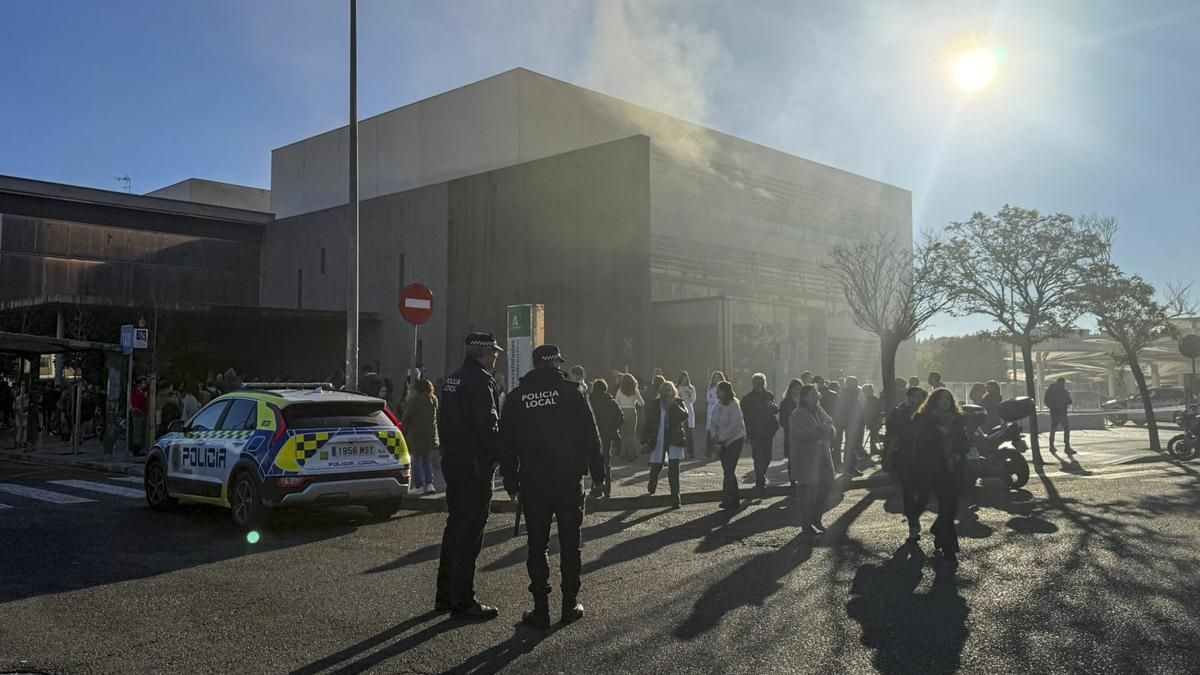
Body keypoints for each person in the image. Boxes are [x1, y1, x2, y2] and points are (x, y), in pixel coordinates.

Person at [499, 344, 605, 628]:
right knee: (571, 544)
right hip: (569, 480)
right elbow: (591, 436)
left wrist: (510, 482)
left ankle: (541, 609)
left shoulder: (517, 398)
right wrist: (599, 475)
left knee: (537, 546)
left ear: (535, 365)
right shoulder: (573, 393)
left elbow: (506, 445)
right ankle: (569, 605)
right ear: (557, 364)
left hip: (533, 482)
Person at [435, 332, 505, 620]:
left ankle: (445, 594)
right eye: (494, 352)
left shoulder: (453, 378)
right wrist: (501, 455)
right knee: (470, 532)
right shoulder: (480, 380)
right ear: (484, 353)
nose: (496, 356)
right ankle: (463, 599)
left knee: (454, 527)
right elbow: (487, 426)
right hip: (474, 467)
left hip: (453, 462)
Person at [913, 387, 970, 563]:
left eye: (948, 398)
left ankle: (938, 529)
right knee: (946, 504)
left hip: (955, 467)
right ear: (934, 400)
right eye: (942, 398)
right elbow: (921, 445)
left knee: (951, 507)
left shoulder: (957, 419)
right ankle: (949, 547)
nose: (945, 401)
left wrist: (959, 452)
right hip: (936, 469)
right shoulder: (923, 419)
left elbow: (964, 442)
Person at [788, 384, 836, 535]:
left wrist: (830, 429)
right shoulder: (798, 413)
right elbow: (798, 434)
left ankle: (816, 517)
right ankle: (806, 524)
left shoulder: (819, 410)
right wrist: (820, 429)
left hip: (822, 457)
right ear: (804, 397)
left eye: (816, 395)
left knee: (827, 485)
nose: (816, 397)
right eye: (812, 395)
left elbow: (830, 426)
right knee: (807, 493)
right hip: (806, 459)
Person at [885, 387, 928, 541]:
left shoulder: (926, 413)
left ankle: (914, 514)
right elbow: (891, 427)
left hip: (923, 458)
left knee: (924, 492)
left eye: (920, 397)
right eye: (915, 396)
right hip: (904, 457)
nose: (918, 399)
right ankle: (913, 524)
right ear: (908, 397)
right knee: (909, 491)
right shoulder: (900, 412)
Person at [641, 380, 689, 508]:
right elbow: (648, 422)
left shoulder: (678, 402)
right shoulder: (655, 404)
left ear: (673, 391)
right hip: (659, 437)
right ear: (661, 392)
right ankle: (653, 482)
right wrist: (644, 440)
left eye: (670, 390)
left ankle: (675, 496)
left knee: (674, 469)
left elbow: (684, 416)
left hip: (674, 438)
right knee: (657, 464)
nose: (668, 393)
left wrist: (673, 405)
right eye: (665, 390)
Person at [708, 381, 747, 508]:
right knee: (727, 471)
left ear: (725, 392)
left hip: (734, 440)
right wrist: (714, 436)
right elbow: (712, 422)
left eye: (719, 390)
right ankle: (734, 499)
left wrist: (721, 437)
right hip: (720, 441)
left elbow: (734, 426)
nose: (717, 392)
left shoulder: (734, 405)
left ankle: (728, 499)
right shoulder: (717, 405)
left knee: (729, 470)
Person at [741, 373, 780, 491]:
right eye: (758, 384)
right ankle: (760, 480)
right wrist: (745, 433)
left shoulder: (769, 395)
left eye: (762, 384)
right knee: (758, 457)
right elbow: (744, 417)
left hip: (768, 431)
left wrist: (772, 406)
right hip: (754, 432)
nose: (760, 386)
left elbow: (775, 409)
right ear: (753, 384)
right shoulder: (747, 399)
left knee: (768, 457)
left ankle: (761, 475)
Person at [403, 378, 440, 495]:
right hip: (430, 435)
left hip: (416, 435)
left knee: (416, 461)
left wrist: (403, 431)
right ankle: (430, 484)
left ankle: (419, 486)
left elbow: (407, 418)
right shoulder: (434, 400)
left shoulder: (414, 400)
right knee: (426, 460)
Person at [589, 379, 623, 497]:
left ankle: (596, 485)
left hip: (592, 434)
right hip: (607, 434)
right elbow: (620, 417)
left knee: (593, 460)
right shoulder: (610, 401)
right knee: (606, 462)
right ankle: (607, 488)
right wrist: (614, 427)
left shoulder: (589, 400)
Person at [836, 376, 866, 477]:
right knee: (851, 446)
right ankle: (849, 467)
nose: (856, 385)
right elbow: (849, 411)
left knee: (852, 445)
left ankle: (850, 467)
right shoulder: (849, 395)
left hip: (853, 423)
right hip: (852, 424)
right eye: (854, 383)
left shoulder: (850, 394)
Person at [778, 379, 803, 485]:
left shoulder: (805, 401)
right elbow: (782, 419)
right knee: (792, 458)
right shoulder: (786, 402)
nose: (797, 391)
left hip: (805, 432)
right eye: (795, 388)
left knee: (803, 457)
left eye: (799, 388)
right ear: (791, 389)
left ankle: (802, 480)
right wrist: (790, 426)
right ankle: (793, 481)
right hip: (791, 433)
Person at [614, 373, 644, 462]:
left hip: (622, 411)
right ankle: (632, 454)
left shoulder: (620, 391)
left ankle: (623, 454)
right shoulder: (634, 391)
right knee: (631, 434)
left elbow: (616, 402)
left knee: (623, 434)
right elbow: (641, 403)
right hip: (631, 411)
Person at [1046, 377, 1074, 454]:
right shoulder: (1063, 391)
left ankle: (1051, 446)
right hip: (1062, 413)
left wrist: (1052, 407)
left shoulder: (1050, 391)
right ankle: (1067, 447)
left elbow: (1046, 401)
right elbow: (1069, 401)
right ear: (1062, 383)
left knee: (1053, 429)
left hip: (1053, 413)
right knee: (1066, 429)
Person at [705, 371, 727, 458]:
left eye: (718, 378)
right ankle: (709, 450)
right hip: (712, 410)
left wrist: (717, 400)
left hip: (722, 410)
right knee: (710, 431)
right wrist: (716, 400)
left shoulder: (725, 388)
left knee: (720, 431)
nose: (716, 379)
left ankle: (720, 451)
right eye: (715, 378)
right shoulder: (710, 389)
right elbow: (709, 399)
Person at [676, 372, 698, 459]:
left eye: (686, 379)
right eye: (683, 379)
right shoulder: (677, 387)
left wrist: (689, 394)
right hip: (679, 411)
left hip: (689, 411)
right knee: (679, 432)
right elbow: (675, 398)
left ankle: (690, 452)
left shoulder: (691, 388)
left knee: (689, 433)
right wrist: (680, 395)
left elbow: (693, 400)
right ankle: (679, 452)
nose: (684, 381)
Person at [862, 383, 883, 457]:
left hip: (868, 419)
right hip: (874, 419)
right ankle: (873, 448)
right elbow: (879, 408)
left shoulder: (864, 399)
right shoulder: (873, 399)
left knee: (873, 434)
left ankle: (873, 447)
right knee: (874, 433)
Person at [12, 384, 29, 448]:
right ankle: (24, 441)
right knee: (25, 429)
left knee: (20, 428)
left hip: (19, 415)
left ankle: (18, 441)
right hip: (26, 414)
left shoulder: (18, 398)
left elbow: (14, 407)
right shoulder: (28, 398)